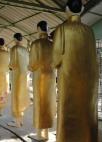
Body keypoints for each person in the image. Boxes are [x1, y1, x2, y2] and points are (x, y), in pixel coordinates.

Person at [53, 0, 98, 141]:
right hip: (89, 82)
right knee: (87, 113)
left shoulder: (62, 29)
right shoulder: (89, 30)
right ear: (82, 9)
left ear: (67, 9)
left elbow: (56, 60)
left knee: (68, 115)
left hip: (69, 81)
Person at [28, 21, 56, 140]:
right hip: (50, 75)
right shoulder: (53, 44)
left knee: (39, 103)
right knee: (49, 102)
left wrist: (30, 68)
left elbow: (32, 64)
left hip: (39, 76)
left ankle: (40, 134)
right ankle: (47, 131)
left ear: (38, 28)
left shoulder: (35, 44)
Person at [8, 33, 30, 127]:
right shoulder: (25, 49)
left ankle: (17, 122)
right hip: (25, 74)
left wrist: (9, 67)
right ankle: (21, 120)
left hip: (17, 74)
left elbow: (12, 63)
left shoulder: (14, 49)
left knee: (16, 96)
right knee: (23, 95)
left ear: (15, 39)